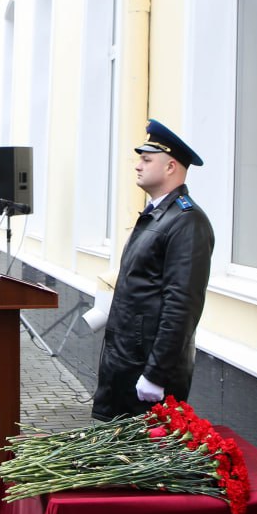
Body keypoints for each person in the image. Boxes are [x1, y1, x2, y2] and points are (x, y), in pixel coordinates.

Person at [91, 119, 215, 421]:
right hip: (125, 363)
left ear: (171, 167)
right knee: (113, 457)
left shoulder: (187, 221)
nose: (137, 166)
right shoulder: (157, 215)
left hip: (145, 372)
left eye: (147, 159)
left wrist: (156, 374)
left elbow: (181, 305)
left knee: (137, 460)